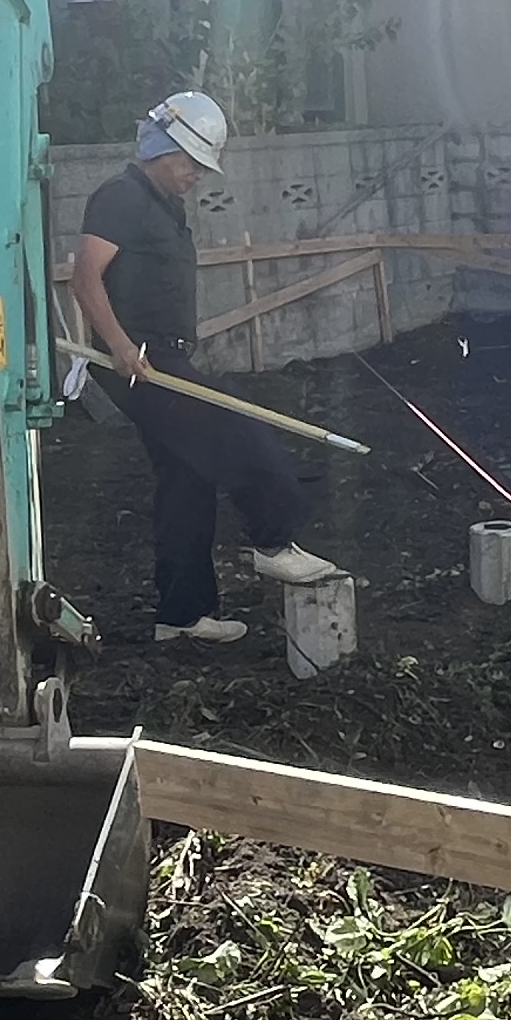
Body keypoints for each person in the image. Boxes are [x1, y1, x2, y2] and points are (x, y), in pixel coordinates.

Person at [69, 91, 340, 645]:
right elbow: (85, 278)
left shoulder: (163, 206)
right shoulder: (120, 196)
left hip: (163, 355)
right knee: (240, 434)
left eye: (200, 166)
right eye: (188, 162)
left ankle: (181, 614)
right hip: (141, 362)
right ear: (159, 147)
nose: (195, 175)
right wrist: (121, 347)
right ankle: (272, 542)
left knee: (186, 480)